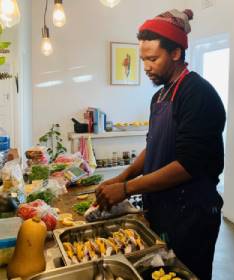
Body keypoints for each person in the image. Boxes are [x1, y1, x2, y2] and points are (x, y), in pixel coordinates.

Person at [96, 8, 226, 280]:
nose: (146, 67)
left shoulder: (198, 94)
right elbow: (153, 145)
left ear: (176, 53)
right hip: (162, 211)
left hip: (191, 216)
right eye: (143, 59)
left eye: (153, 58)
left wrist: (127, 188)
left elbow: (187, 165)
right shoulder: (159, 97)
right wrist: (122, 176)